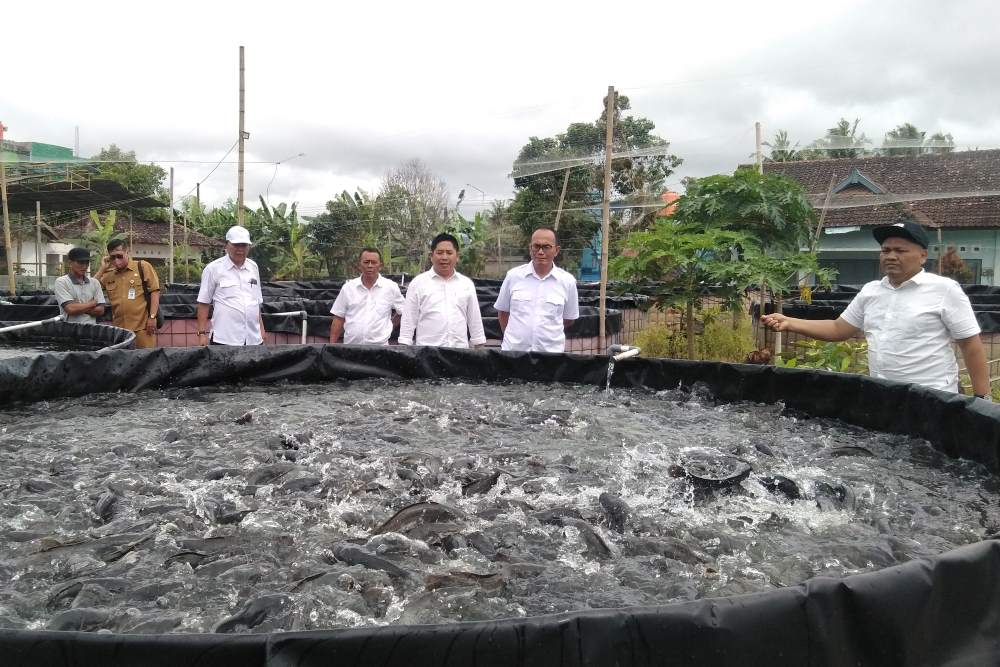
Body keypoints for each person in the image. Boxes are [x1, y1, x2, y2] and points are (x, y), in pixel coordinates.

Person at [761, 218, 991, 398]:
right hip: (883, 396)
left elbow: (970, 345)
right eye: (885, 250)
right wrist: (790, 321)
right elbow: (838, 328)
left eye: (900, 251)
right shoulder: (871, 291)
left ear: (922, 256)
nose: (890, 256)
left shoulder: (945, 290)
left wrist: (981, 398)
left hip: (932, 399)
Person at [494, 227, 579, 352]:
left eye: (546, 247)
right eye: (536, 246)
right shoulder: (513, 276)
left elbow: (569, 319)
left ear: (556, 250)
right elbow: (503, 313)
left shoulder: (568, 282)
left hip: (550, 357)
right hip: (513, 355)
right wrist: (516, 339)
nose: (540, 252)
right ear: (530, 248)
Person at [398, 232, 486, 348]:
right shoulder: (418, 283)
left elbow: (474, 320)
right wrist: (404, 348)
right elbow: (408, 321)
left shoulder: (466, 284)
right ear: (431, 256)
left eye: (449, 253)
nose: (444, 257)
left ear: (457, 256)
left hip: (459, 354)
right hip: (427, 355)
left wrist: (480, 348)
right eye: (439, 253)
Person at [196, 225, 266, 346]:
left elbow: (256, 302)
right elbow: (203, 303)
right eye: (236, 245)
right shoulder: (213, 269)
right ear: (226, 245)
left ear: (249, 247)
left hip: (253, 339)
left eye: (244, 245)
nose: (240, 249)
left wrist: (261, 330)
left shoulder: (253, 267)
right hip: (224, 339)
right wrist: (202, 334)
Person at [329, 247, 405, 345]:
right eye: (366, 262)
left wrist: (391, 325)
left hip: (380, 349)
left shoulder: (391, 287)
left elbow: (404, 311)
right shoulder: (348, 288)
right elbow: (338, 318)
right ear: (359, 265)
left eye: (374, 262)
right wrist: (330, 348)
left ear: (380, 265)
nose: (370, 265)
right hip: (351, 349)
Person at [94, 239, 160, 349]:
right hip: (120, 331)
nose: (116, 260)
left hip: (143, 329)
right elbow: (90, 289)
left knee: (146, 362)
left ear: (127, 252)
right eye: (112, 257)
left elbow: (155, 291)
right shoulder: (108, 275)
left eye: (119, 256)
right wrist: (102, 268)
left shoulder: (142, 267)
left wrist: (152, 317)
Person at [53, 247, 105, 325]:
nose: (84, 266)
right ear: (70, 263)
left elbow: (101, 310)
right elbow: (70, 309)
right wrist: (92, 304)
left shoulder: (94, 282)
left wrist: (78, 306)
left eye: (87, 262)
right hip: (70, 330)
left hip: (92, 330)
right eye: (80, 262)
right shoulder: (62, 282)